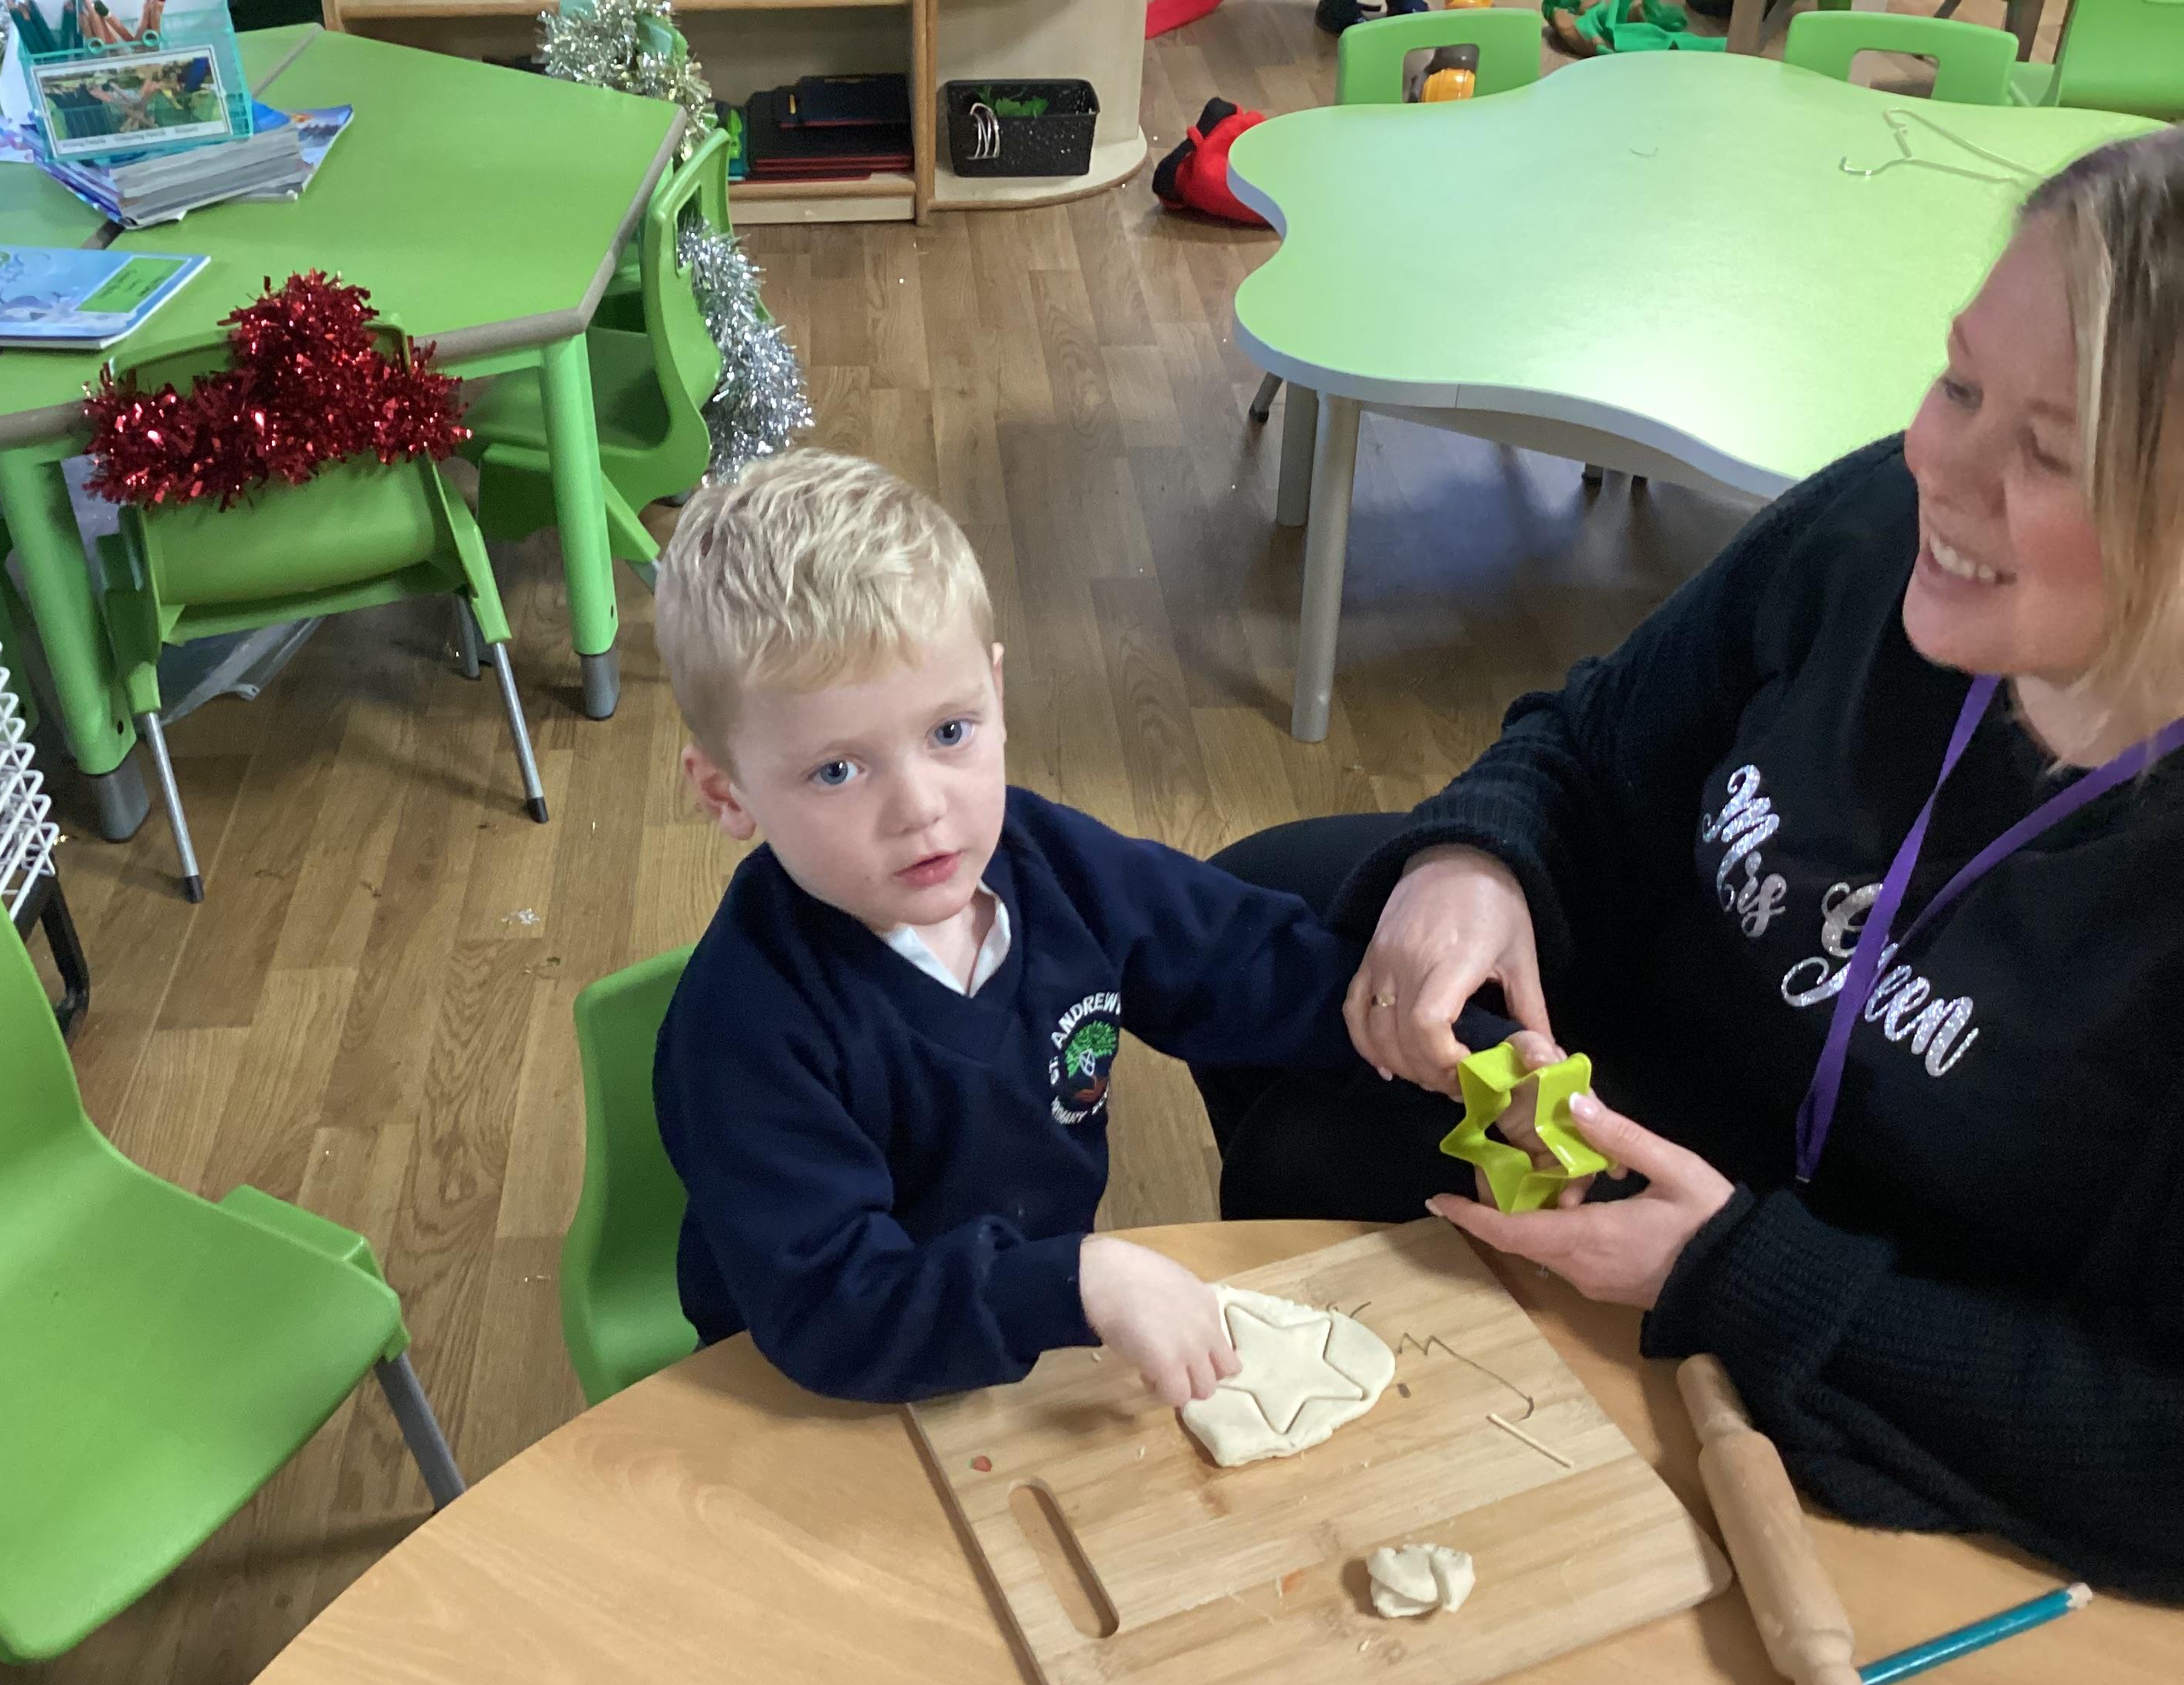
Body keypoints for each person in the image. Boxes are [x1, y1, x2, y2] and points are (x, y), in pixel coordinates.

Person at [1198, 128, 2184, 1599]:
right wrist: (1479, 856)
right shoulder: (1870, 527)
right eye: (1955, 381)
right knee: (1269, 923)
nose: (1935, 461)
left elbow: (2154, 1450)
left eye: (2045, 452)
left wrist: (1727, 1270)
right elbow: (1596, 734)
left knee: (1317, 1152)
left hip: (1922, 1315)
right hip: (1667, 1105)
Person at [653, 451, 1371, 1405]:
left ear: (995, 694)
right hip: (822, 1381)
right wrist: (1072, 1283)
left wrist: (1436, 1036)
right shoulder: (744, 1026)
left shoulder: (1054, 865)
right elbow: (831, 1310)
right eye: (837, 771)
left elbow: (1241, 959)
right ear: (725, 792)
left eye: (949, 732)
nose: (921, 808)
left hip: (1023, 1333)